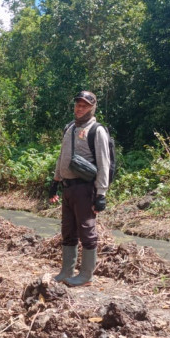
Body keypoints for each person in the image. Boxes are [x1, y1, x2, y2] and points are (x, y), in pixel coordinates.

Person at [47, 91, 111, 287]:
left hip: (85, 189)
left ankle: (86, 275)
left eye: (84, 105)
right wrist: (55, 182)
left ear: (92, 108)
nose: (79, 108)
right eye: (77, 104)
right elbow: (62, 156)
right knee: (68, 230)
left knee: (87, 231)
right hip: (68, 188)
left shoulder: (97, 131)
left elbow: (104, 163)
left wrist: (101, 194)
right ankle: (67, 271)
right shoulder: (69, 128)